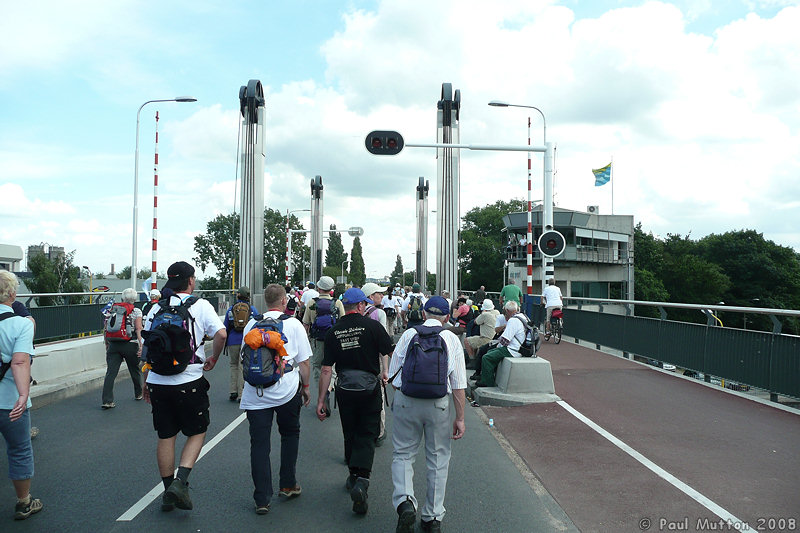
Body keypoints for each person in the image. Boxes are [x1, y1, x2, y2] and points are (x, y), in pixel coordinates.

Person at [142, 261, 226, 512]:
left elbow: (146, 349)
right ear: (191, 281)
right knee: (197, 431)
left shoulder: (154, 308)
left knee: (166, 435)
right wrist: (213, 358)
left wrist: (147, 381)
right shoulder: (200, 306)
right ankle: (181, 482)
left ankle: (168, 491)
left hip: (158, 381)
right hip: (188, 380)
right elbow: (220, 334)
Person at [388, 295, 466, 533]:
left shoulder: (409, 335)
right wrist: (460, 418)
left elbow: (393, 377)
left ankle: (405, 503)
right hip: (438, 405)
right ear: (446, 317)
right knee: (438, 458)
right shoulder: (451, 339)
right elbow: (459, 384)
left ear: (423, 314)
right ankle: (432, 517)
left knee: (403, 453)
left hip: (406, 401)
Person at [316, 287, 392, 516]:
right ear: (360, 306)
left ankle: (351, 473)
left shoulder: (333, 331)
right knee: (367, 433)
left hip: (345, 389)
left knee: (349, 431)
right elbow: (387, 351)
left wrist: (322, 399)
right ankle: (362, 481)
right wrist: (386, 372)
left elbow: (327, 369)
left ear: (344, 307)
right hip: (369, 388)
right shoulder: (373, 326)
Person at [240, 284, 311, 515]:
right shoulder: (293, 324)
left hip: (255, 393)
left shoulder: (252, 324)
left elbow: (245, 357)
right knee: (290, 434)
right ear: (283, 301)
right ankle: (288, 484)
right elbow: (304, 362)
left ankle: (262, 498)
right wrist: (306, 387)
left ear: (265, 302)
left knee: (259, 444)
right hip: (286, 391)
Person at [0, 270, 43, 521]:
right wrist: (22, 395)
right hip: (9, 402)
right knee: (19, 450)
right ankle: (24, 502)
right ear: (13, 294)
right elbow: (19, 362)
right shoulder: (22, 324)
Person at [101, 287, 144, 408]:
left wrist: (107, 344)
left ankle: (107, 400)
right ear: (134, 299)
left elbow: (106, 328)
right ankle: (138, 393)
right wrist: (141, 345)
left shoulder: (113, 309)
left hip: (114, 344)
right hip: (130, 344)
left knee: (111, 373)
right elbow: (138, 328)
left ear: (123, 298)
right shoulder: (136, 311)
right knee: (134, 370)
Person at [362, 282, 392, 447]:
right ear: (371, 296)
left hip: (360, 360)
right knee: (378, 396)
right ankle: (379, 432)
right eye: (379, 293)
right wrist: (385, 369)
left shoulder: (359, 313)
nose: (382, 295)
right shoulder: (379, 313)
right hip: (375, 361)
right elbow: (383, 343)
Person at [475, 301, 529, 387]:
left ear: (507, 310)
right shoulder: (523, 317)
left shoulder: (513, 320)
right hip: (521, 348)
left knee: (487, 357)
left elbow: (505, 340)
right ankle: (488, 377)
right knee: (491, 353)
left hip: (513, 350)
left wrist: (497, 347)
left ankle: (487, 381)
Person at [303, 276, 345, 383]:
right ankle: (331, 384)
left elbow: (306, 324)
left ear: (319, 288)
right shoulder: (337, 303)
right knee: (333, 363)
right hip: (334, 338)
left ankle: (320, 387)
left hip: (317, 338)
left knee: (317, 364)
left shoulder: (312, 303)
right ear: (331, 289)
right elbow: (343, 321)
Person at [223, 287, 261, 401]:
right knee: (242, 366)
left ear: (238, 295)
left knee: (233, 365)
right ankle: (241, 393)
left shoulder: (231, 309)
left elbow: (225, 326)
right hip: (246, 340)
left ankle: (232, 391)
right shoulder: (252, 309)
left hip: (232, 341)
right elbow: (257, 326)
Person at [464, 299, 499, 367]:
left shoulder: (485, 314)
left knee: (466, 341)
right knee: (475, 339)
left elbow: (476, 322)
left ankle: (472, 360)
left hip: (486, 339)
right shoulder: (497, 312)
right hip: (494, 338)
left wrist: (482, 313)